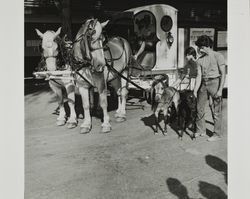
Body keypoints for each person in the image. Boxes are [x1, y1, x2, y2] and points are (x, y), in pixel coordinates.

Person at [193, 35, 226, 141]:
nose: (199, 49)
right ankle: (200, 130)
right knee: (199, 108)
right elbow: (198, 76)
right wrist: (195, 90)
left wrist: (220, 89)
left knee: (216, 110)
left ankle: (217, 134)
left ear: (206, 46)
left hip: (215, 82)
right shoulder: (199, 60)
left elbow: (223, 73)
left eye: (200, 47)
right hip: (203, 84)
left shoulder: (218, 56)